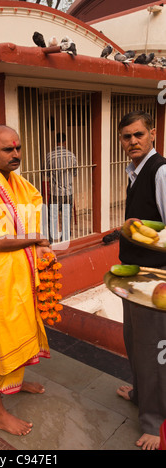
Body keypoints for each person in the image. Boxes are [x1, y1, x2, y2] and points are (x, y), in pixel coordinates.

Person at [0, 125, 54, 436]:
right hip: (2, 277)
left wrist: (38, 245)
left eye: (18, 148)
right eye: (8, 150)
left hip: (23, 272)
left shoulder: (16, 181)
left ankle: (17, 381)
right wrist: (37, 238)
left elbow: (35, 200)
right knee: (0, 338)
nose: (16, 154)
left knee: (24, 328)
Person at [117, 110, 166, 450]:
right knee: (133, 340)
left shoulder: (161, 172)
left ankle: (155, 420)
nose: (132, 141)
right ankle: (138, 393)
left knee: (152, 349)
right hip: (133, 274)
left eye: (138, 134)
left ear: (152, 134)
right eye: (126, 137)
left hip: (154, 278)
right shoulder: (134, 172)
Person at [45, 132, 77, 241]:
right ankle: (65, 239)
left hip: (55, 193)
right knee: (66, 216)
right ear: (64, 142)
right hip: (68, 192)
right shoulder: (71, 155)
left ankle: (51, 240)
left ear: (56, 142)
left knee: (52, 216)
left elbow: (46, 173)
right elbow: (75, 173)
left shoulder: (50, 156)